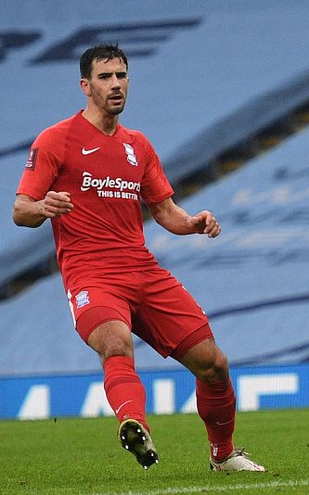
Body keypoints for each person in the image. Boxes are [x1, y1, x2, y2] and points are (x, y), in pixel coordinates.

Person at [12, 44, 264, 472]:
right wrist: (43, 207)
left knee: (214, 365)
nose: (116, 84)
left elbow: (165, 212)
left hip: (143, 271)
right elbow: (21, 210)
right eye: (106, 77)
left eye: (121, 76)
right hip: (92, 274)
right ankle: (134, 424)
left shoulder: (137, 145)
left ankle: (223, 455)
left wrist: (195, 222)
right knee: (115, 344)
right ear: (85, 86)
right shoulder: (57, 140)